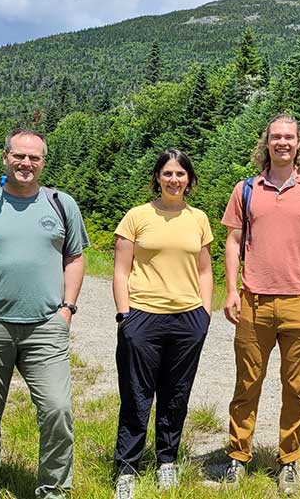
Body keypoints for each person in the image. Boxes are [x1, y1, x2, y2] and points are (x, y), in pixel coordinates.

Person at [0, 128, 90, 499]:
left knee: (57, 412)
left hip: (45, 328)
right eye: (19, 156)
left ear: (43, 162)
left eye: (34, 158)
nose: (26, 163)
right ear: (5, 157)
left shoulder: (61, 204)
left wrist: (67, 310)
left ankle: (54, 491)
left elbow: (74, 257)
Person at [220, 113, 300, 494]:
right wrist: (232, 289)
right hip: (254, 299)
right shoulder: (246, 189)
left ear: (298, 144)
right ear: (266, 143)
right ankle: (239, 456)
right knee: (247, 383)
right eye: (276, 137)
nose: (282, 143)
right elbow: (234, 241)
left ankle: (289, 458)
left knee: (298, 385)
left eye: (289, 137)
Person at [111, 149, 213, 499]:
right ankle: (127, 468)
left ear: (189, 179)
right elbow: (121, 270)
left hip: (188, 319)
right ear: (157, 177)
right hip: (142, 315)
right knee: (137, 394)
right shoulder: (137, 217)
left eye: (180, 174)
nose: (174, 180)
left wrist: (204, 313)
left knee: (176, 394)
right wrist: (125, 316)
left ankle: (166, 461)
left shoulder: (198, 218)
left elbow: (204, 270)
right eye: (168, 174)